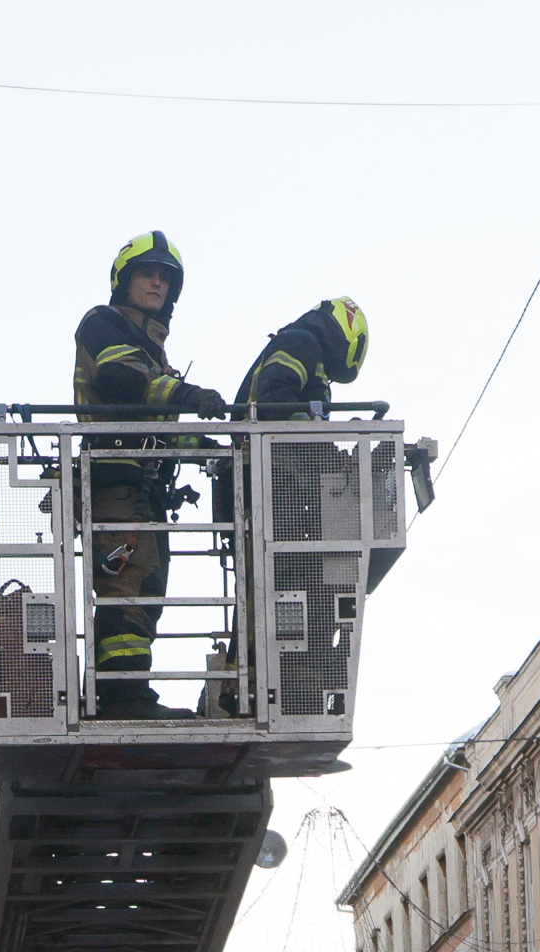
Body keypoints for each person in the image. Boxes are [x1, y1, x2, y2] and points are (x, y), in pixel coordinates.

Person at [74, 231, 228, 717]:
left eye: (166, 277)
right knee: (126, 587)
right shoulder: (102, 323)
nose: (157, 283)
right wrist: (183, 394)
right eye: (147, 272)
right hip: (114, 481)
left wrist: (209, 447)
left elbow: (158, 428)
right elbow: (120, 380)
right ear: (124, 278)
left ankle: (125, 689)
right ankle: (122, 698)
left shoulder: (153, 348)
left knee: (146, 590)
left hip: (144, 488)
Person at [239, 297, 368, 417]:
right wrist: (313, 436)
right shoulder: (302, 342)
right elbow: (276, 400)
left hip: (271, 439)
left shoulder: (311, 353)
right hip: (265, 439)